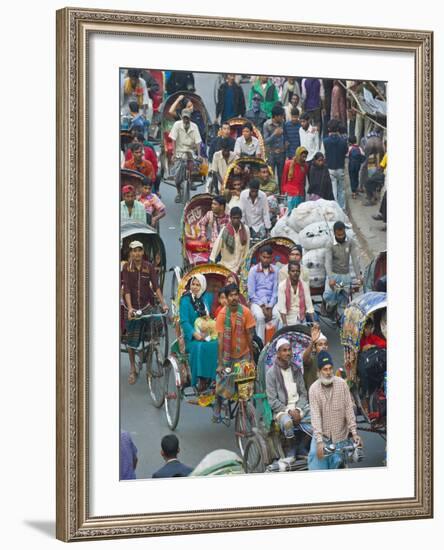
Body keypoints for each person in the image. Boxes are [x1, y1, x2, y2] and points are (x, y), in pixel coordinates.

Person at [122, 241, 169, 384]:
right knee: (131, 339)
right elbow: (127, 289)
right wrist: (130, 308)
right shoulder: (126, 268)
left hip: (146, 305)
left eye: (139, 250)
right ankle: (132, 368)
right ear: (130, 253)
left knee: (157, 322)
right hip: (132, 307)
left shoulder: (149, 267)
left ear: (143, 252)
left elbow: (156, 287)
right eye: (133, 251)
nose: (136, 253)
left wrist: (164, 304)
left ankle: (154, 347)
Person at [308, 351, 362, 470]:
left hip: (340, 437)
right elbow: (315, 416)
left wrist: (354, 433)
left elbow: (348, 409)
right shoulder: (313, 389)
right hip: (323, 437)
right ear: (319, 371)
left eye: (330, 368)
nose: (328, 372)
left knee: (337, 468)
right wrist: (319, 441)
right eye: (325, 369)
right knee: (317, 464)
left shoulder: (342, 384)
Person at [266, 337, 310, 457]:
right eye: (284, 350)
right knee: (287, 423)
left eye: (289, 350)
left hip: (299, 408)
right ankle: (291, 447)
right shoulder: (271, 374)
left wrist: (298, 409)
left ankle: (301, 446)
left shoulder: (296, 369)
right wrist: (289, 411)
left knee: (318, 415)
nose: (288, 353)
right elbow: (272, 400)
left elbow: (303, 393)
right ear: (278, 353)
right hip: (282, 411)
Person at [179, 274, 218, 390]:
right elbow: (184, 321)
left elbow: (213, 314)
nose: (195, 287)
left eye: (198, 285)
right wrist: (194, 334)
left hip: (207, 332)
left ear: (203, 286)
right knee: (199, 347)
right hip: (192, 337)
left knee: (216, 345)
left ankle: (214, 377)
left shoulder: (207, 298)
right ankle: (201, 378)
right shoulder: (185, 300)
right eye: (193, 284)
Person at [323, 221, 362, 314]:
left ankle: (342, 319)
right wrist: (331, 278)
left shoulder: (350, 242)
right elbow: (327, 262)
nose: (341, 237)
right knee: (329, 296)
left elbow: (355, 259)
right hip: (334, 274)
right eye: (338, 235)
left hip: (345, 275)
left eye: (342, 234)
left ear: (345, 231)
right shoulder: (329, 244)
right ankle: (328, 307)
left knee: (345, 300)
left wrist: (358, 276)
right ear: (334, 233)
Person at [247, 244, 279, 343]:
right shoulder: (253, 271)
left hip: (271, 302)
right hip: (257, 302)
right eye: (264, 257)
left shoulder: (276, 270)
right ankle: (261, 345)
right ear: (260, 256)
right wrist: (262, 306)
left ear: (271, 258)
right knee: (260, 317)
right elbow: (251, 294)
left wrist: (270, 306)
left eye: (268, 258)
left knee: (277, 315)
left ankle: (272, 343)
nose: (266, 260)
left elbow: (275, 292)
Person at [169, 109, 202, 202]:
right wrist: (174, 154)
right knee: (177, 175)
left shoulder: (194, 126)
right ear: (182, 117)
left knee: (196, 166)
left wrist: (199, 154)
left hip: (190, 151)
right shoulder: (177, 125)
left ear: (190, 118)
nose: (186, 120)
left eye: (187, 118)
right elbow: (173, 140)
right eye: (184, 118)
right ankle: (179, 192)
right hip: (179, 151)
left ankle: (191, 180)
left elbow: (198, 141)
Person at [210, 206, 250, 273]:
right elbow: (217, 245)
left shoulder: (246, 230)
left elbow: (247, 248)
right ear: (230, 218)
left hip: (239, 265)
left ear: (241, 218)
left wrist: (244, 264)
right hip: (226, 265)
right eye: (234, 218)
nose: (236, 220)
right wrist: (212, 260)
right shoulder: (225, 230)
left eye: (238, 218)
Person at [277, 261, 314, 326]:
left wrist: (314, 322)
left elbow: (309, 305)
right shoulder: (282, 286)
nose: (295, 273)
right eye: (293, 271)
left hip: (301, 317)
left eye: (297, 271)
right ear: (288, 272)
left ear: (300, 272)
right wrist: (285, 325)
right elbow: (282, 308)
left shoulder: (304, 285)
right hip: (286, 319)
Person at [323, 118, 348, 209]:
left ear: (329, 129)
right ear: (338, 129)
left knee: (333, 188)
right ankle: (342, 207)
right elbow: (346, 152)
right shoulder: (343, 141)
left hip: (330, 168)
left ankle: (334, 207)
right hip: (340, 168)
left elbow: (323, 154)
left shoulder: (325, 141)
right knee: (341, 189)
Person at [263, 104, 286, 191]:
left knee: (281, 176)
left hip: (281, 153)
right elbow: (265, 141)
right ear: (275, 116)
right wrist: (274, 134)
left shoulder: (283, 124)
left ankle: (281, 194)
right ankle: (272, 193)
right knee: (271, 175)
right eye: (281, 116)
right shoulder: (266, 125)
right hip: (271, 154)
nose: (282, 118)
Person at [302, 323, 329, 393]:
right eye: (320, 344)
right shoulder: (311, 359)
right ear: (315, 347)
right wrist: (312, 342)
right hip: (313, 395)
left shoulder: (328, 359)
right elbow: (304, 359)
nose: (324, 346)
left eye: (325, 344)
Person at [281, 146, 309, 212]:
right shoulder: (288, 164)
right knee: (290, 213)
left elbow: (304, 181)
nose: (304, 158)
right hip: (291, 194)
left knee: (299, 213)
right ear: (298, 155)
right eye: (303, 156)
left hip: (300, 193)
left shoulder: (305, 166)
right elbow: (284, 178)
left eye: (305, 156)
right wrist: (283, 191)